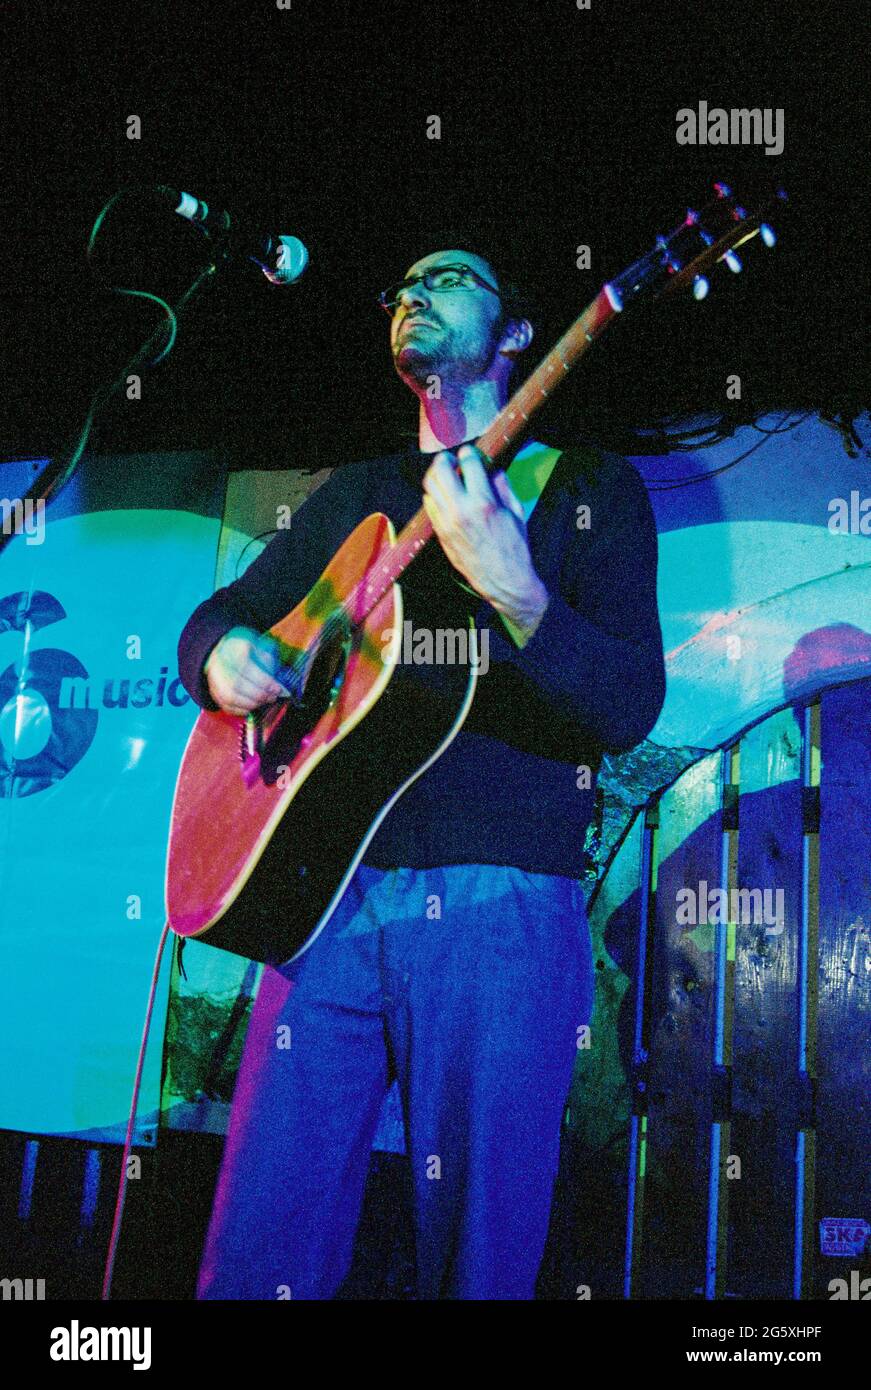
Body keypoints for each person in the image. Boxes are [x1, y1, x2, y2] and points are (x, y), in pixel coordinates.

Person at [177, 247, 666, 1299]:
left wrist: (516, 586)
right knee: (258, 1243)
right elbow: (217, 621)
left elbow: (628, 706)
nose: (411, 294)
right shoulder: (352, 495)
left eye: (447, 279)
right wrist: (219, 660)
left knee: (479, 1256)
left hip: (502, 906)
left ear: (519, 334)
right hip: (323, 903)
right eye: (399, 285)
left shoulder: (584, 488)